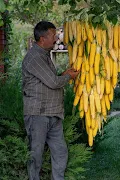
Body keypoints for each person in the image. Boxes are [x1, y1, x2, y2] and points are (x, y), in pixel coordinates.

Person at [22, 21, 79, 180]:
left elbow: (49, 80)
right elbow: (53, 82)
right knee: (36, 155)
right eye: (53, 36)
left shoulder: (44, 55)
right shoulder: (34, 57)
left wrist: (64, 74)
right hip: (38, 115)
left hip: (53, 113)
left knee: (60, 152)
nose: (56, 39)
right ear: (42, 38)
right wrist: (68, 77)